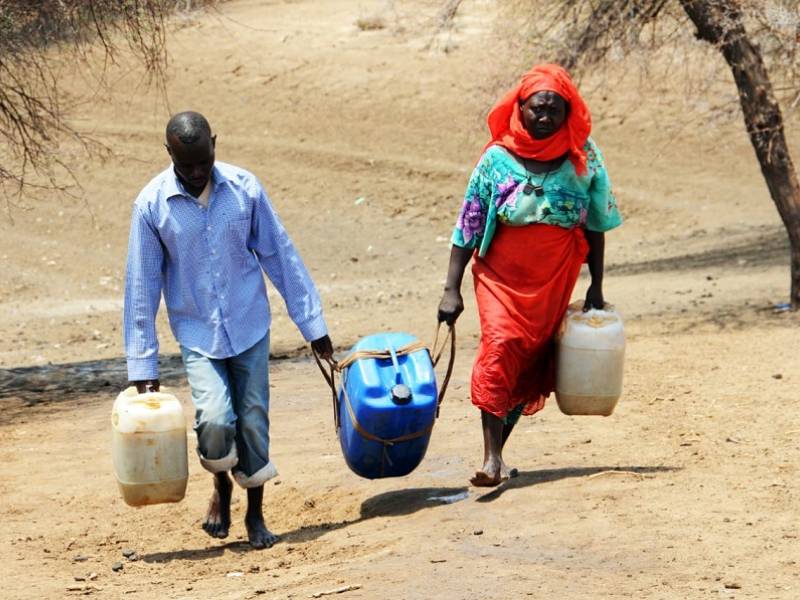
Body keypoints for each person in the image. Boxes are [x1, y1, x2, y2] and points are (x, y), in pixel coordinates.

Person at [123, 111, 333, 548]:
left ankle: (255, 512)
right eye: (187, 166)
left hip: (249, 322)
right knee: (215, 419)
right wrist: (143, 365)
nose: (197, 173)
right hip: (198, 332)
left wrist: (313, 326)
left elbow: (280, 255)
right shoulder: (151, 205)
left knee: (253, 419)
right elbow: (141, 286)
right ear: (169, 154)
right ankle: (221, 484)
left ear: (215, 144)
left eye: (204, 161)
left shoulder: (244, 189)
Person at [437, 64, 622, 487]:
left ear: (568, 113)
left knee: (530, 361)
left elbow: (596, 224)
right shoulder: (496, 159)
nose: (544, 117)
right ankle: (490, 459)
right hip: (500, 275)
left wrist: (596, 284)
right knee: (500, 346)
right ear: (520, 107)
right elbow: (469, 223)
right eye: (537, 108)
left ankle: (499, 454)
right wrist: (451, 288)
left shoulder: (583, 156)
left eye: (554, 110)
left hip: (554, 276)